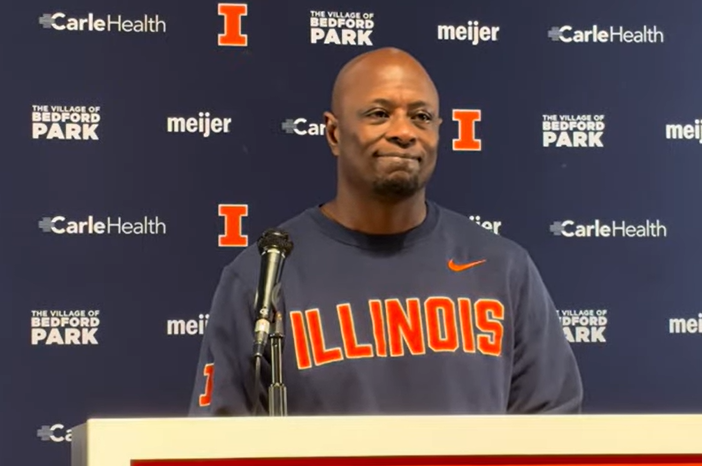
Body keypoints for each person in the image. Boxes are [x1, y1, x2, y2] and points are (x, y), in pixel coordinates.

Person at [187, 47, 582, 416]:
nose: (404, 132)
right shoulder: (264, 276)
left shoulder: (502, 268)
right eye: (379, 114)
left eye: (421, 117)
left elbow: (553, 429)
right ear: (334, 133)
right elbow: (220, 443)